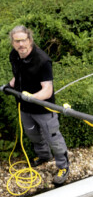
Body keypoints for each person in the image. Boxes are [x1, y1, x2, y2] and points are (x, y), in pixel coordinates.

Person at [8, 25, 70, 185]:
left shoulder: (42, 60)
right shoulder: (14, 56)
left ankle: (63, 167)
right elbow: (18, 76)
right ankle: (44, 156)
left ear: (29, 40)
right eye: (16, 41)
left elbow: (47, 90)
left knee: (53, 138)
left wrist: (32, 97)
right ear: (13, 42)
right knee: (33, 135)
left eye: (23, 40)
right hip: (25, 108)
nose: (20, 45)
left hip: (43, 109)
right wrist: (9, 85)